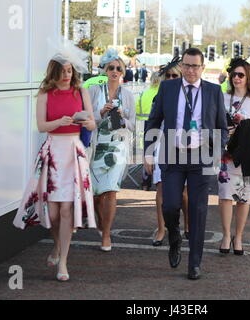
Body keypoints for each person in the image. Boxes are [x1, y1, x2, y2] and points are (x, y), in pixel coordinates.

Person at [13, 40, 97, 281]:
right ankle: (58, 247)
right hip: (52, 152)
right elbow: (40, 125)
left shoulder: (81, 92)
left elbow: (92, 123)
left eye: (69, 71)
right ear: (54, 72)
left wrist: (83, 121)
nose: (66, 75)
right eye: (62, 71)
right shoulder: (44, 94)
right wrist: (60, 122)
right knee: (54, 211)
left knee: (67, 208)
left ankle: (63, 261)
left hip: (74, 151)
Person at [144, 48, 228, 280]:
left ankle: (194, 263)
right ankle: (174, 237)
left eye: (195, 66)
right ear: (181, 66)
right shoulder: (168, 88)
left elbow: (221, 126)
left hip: (202, 156)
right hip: (173, 152)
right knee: (170, 205)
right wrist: (149, 153)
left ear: (203, 68)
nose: (191, 70)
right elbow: (153, 120)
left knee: (198, 210)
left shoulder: (213, 91)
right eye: (187, 65)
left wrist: (218, 152)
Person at [218, 58, 250, 255]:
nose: (236, 78)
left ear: (249, 77)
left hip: (246, 153)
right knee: (224, 196)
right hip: (226, 153)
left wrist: (246, 122)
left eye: (241, 75)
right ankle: (225, 235)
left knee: (243, 197)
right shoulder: (222, 97)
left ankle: (238, 236)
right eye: (234, 75)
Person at [88, 49, 136, 252]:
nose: (115, 71)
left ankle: (106, 234)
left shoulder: (128, 95)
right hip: (96, 146)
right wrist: (101, 112)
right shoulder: (95, 91)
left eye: (119, 68)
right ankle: (101, 223)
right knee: (97, 194)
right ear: (105, 70)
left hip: (117, 148)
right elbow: (87, 120)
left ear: (123, 71)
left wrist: (122, 116)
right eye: (111, 68)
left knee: (111, 191)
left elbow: (133, 125)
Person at [149, 60, 190, 246]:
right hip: (163, 145)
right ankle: (161, 228)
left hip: (186, 147)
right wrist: (148, 153)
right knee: (161, 189)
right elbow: (152, 124)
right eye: (169, 76)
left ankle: (188, 226)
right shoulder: (160, 96)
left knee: (183, 194)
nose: (172, 79)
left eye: (175, 76)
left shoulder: (191, 96)